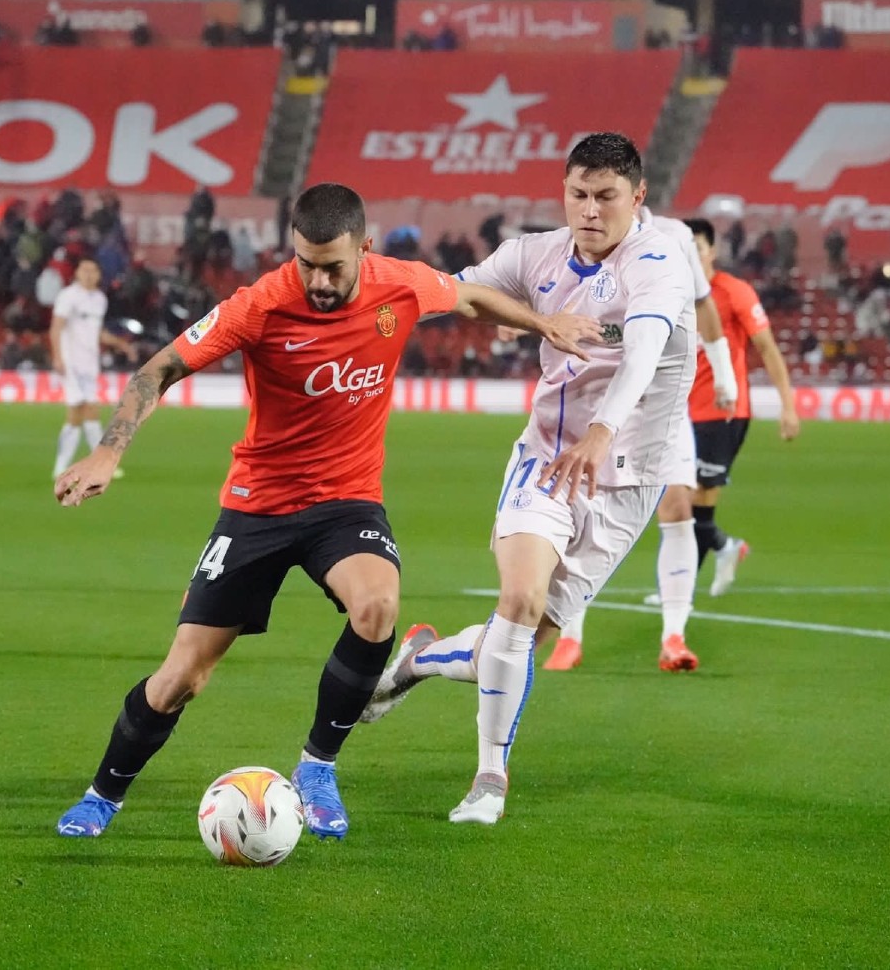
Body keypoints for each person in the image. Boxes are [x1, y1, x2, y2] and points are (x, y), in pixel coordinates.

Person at [50, 183, 599, 841]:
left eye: (332, 265)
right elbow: (157, 370)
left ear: (364, 249)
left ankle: (316, 767)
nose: (316, 278)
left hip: (345, 502)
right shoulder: (258, 304)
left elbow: (474, 298)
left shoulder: (400, 285)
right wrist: (109, 452)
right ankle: (101, 795)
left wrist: (544, 323)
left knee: (378, 607)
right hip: (257, 505)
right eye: (305, 262)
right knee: (181, 678)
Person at [364, 133, 700, 824]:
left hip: (628, 476)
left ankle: (420, 661)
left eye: (606, 196)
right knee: (517, 602)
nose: (589, 209)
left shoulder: (660, 261)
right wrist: (371, 285)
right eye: (577, 193)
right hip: (547, 457)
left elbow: (639, 357)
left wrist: (602, 431)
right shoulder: (533, 254)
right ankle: (489, 780)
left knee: (510, 642)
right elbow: (458, 293)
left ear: (637, 198)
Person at [542, 204, 738, 674]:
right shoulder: (579, 239)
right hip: (597, 399)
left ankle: (674, 635)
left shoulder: (674, 235)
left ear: (636, 193)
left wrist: (725, 372)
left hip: (661, 405)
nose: (597, 205)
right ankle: (568, 637)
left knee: (678, 508)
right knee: (577, 510)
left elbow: (702, 303)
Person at [674, 219, 799, 597]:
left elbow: (767, 347)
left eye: (697, 247)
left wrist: (788, 406)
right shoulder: (673, 293)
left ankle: (680, 590)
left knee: (696, 499)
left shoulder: (734, 292)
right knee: (683, 503)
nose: (690, 255)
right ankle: (724, 549)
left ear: (711, 251)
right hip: (681, 413)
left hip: (722, 412)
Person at [48, 258, 135, 480]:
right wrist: (58, 357)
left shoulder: (99, 299)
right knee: (77, 412)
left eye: (93, 270)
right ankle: (62, 466)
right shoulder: (68, 296)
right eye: (84, 269)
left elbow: (97, 332)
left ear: (98, 274)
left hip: (89, 363)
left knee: (91, 413)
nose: (88, 274)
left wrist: (122, 344)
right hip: (71, 362)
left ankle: (99, 465)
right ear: (77, 272)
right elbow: (56, 327)